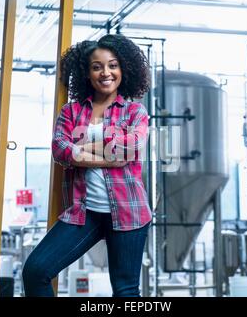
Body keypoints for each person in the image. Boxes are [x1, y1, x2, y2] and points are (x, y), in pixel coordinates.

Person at [22, 34, 152, 297]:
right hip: (85, 213)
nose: (106, 72)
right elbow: (60, 149)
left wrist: (80, 148)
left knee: (126, 291)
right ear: (87, 73)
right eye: (97, 66)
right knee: (35, 271)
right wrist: (109, 154)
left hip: (130, 212)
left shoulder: (135, 112)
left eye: (113, 65)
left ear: (123, 69)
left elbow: (130, 147)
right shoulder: (71, 112)